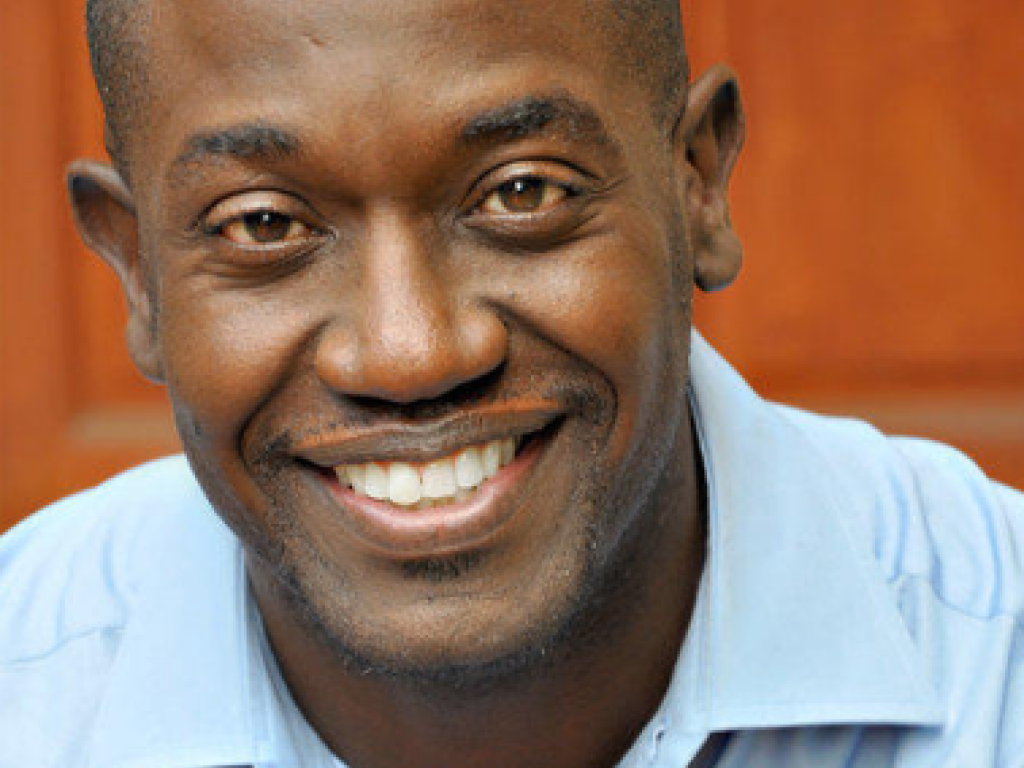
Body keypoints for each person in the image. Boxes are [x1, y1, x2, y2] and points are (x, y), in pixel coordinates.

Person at [1, 0, 1022, 765]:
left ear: (697, 182)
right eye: (262, 224)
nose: (409, 356)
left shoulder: (996, 666)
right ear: (139, 274)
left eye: (522, 192)